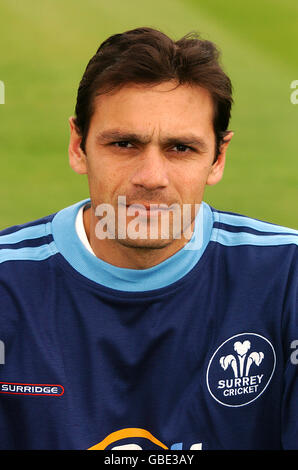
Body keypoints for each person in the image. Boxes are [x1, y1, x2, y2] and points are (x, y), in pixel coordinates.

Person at [0, 27, 297, 451]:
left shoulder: (288, 277)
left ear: (218, 158)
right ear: (78, 146)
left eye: (180, 149)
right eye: (124, 144)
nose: (151, 178)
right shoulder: (8, 285)